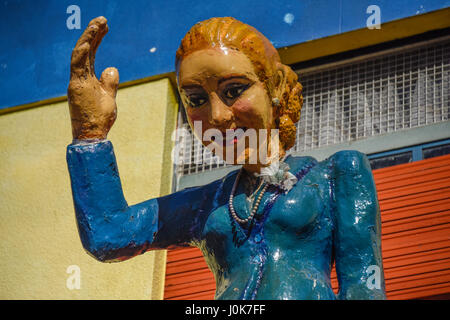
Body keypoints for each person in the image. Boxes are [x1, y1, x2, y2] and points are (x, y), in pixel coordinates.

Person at [66, 16, 386, 300]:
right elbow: (109, 235)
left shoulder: (339, 173)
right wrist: (90, 136)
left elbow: (363, 287)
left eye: (234, 91)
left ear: (273, 88)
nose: (217, 116)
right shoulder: (207, 203)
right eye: (196, 99)